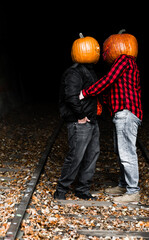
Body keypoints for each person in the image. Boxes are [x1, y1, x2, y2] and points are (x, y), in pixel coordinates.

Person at [80, 53, 143, 203]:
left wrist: (85, 93)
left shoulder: (124, 59)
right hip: (122, 113)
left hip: (126, 112)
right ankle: (123, 185)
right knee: (121, 151)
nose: (106, 52)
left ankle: (133, 192)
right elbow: (111, 90)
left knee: (127, 153)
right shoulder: (127, 66)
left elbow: (108, 80)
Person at [54, 35, 100, 200]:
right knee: (76, 156)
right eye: (93, 48)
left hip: (91, 121)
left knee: (92, 154)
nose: (96, 50)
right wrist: (81, 116)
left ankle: (82, 189)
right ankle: (61, 191)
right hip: (79, 121)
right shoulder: (74, 72)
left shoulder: (89, 70)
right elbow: (71, 97)